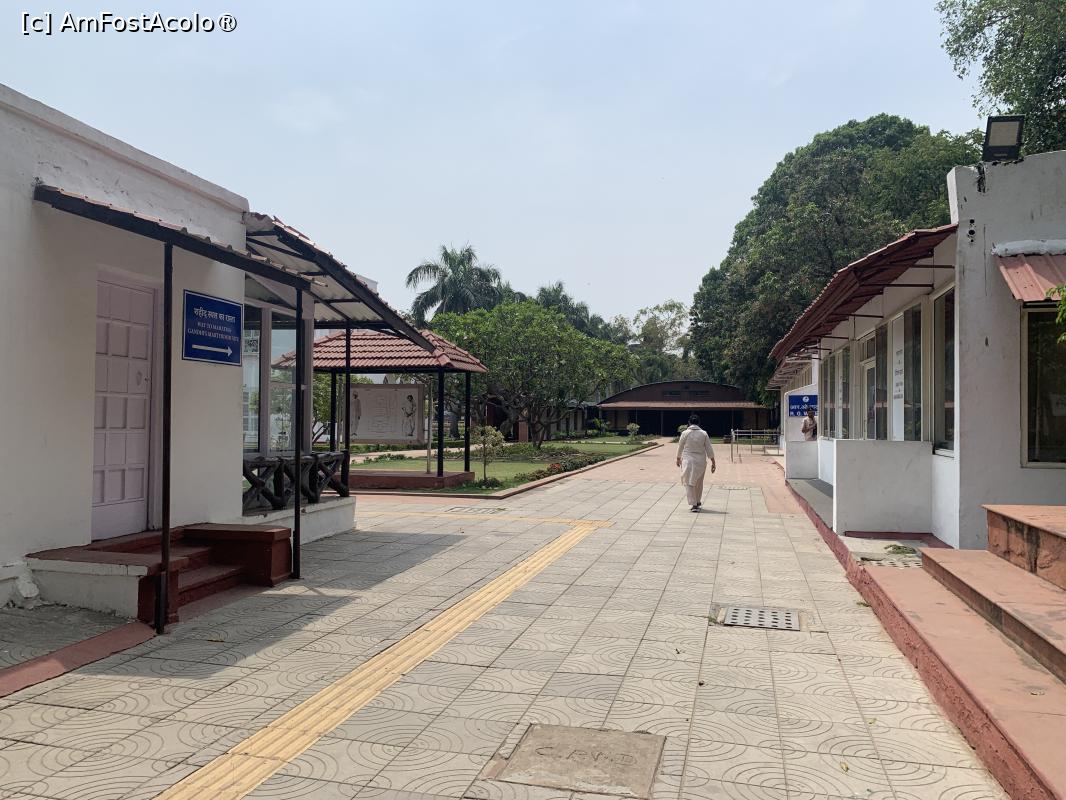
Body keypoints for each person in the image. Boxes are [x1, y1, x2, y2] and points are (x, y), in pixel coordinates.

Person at [676, 414, 716, 512]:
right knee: (698, 482)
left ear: (689, 422)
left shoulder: (685, 433)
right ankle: (697, 501)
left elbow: (680, 446)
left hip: (687, 460)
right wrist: (713, 462)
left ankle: (694, 504)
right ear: (699, 423)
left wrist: (678, 458)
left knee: (688, 481)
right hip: (700, 461)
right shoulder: (703, 433)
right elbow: (709, 448)